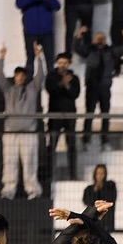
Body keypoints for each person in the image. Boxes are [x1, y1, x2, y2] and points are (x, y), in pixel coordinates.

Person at [0, 43, 46, 200]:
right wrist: (2, 58)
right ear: (15, 76)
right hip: (11, 131)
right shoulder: (8, 90)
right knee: (10, 162)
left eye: (23, 75)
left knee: (30, 161)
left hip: (29, 132)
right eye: (18, 74)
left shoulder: (31, 89)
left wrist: (39, 57)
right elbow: (0, 77)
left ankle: (33, 191)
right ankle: (8, 190)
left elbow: (40, 76)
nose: (20, 77)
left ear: (25, 77)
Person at [75, 26, 123, 149]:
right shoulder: (90, 51)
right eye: (98, 38)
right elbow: (77, 48)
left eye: (102, 38)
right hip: (91, 86)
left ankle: (104, 140)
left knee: (105, 114)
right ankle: (86, 140)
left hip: (105, 86)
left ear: (105, 40)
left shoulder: (110, 51)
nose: (100, 40)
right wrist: (79, 35)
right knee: (89, 114)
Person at [45, 52, 81, 182]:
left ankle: (73, 174)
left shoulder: (74, 78)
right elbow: (51, 90)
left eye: (65, 63)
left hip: (70, 115)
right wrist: (61, 83)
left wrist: (67, 85)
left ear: (69, 64)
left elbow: (75, 94)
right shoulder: (51, 76)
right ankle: (49, 174)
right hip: (55, 115)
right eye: (60, 63)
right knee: (52, 145)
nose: (62, 65)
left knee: (71, 145)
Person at [16, 0, 60, 79]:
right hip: (30, 33)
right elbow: (19, 4)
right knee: (30, 58)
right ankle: (29, 83)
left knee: (49, 59)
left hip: (46, 33)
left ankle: (51, 82)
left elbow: (57, 6)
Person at [82, 164, 118, 232]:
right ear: (95, 174)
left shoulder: (110, 186)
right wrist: (95, 190)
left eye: (102, 173)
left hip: (106, 222)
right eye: (98, 173)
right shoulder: (89, 189)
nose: (100, 176)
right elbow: (88, 202)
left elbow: (110, 200)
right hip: (93, 221)